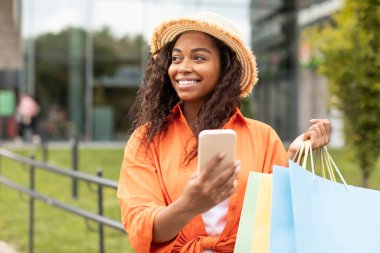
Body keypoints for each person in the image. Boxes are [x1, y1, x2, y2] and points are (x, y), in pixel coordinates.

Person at [117, 12, 330, 253]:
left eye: (198, 57)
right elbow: (141, 227)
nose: (183, 68)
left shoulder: (263, 137)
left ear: (225, 67)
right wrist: (190, 204)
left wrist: (295, 157)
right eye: (176, 59)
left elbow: (277, 220)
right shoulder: (146, 141)